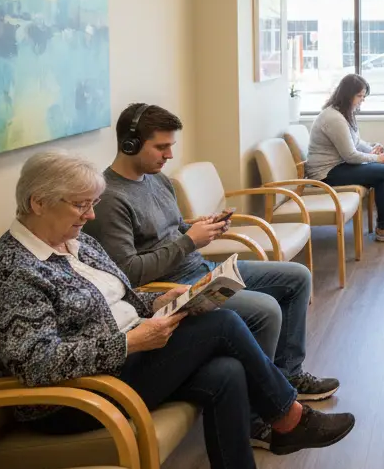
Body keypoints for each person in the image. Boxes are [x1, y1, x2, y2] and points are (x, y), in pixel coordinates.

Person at [0, 151, 356, 469]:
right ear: (38, 202)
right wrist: (130, 341)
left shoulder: (76, 242)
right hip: (76, 397)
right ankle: (287, 417)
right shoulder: (11, 271)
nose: (90, 216)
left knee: (226, 372)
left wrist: (158, 302)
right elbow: (38, 363)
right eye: (81, 205)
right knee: (222, 325)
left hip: (126, 359)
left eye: (92, 204)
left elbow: (119, 298)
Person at [84, 103, 339, 447]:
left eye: (170, 146)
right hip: (169, 287)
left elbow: (170, 231)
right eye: (161, 147)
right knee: (264, 310)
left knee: (296, 277)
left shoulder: (158, 180)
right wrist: (190, 241)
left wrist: (202, 227)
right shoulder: (110, 199)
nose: (169, 155)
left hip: (201, 269)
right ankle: (254, 419)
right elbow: (127, 273)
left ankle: (287, 377)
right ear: (130, 144)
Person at [307, 73, 384, 242]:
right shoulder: (333, 118)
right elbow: (351, 155)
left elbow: (356, 142)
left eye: (363, 96)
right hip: (326, 174)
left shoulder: (345, 113)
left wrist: (373, 151)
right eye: (359, 96)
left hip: (339, 166)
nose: (362, 100)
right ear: (347, 95)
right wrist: (376, 159)